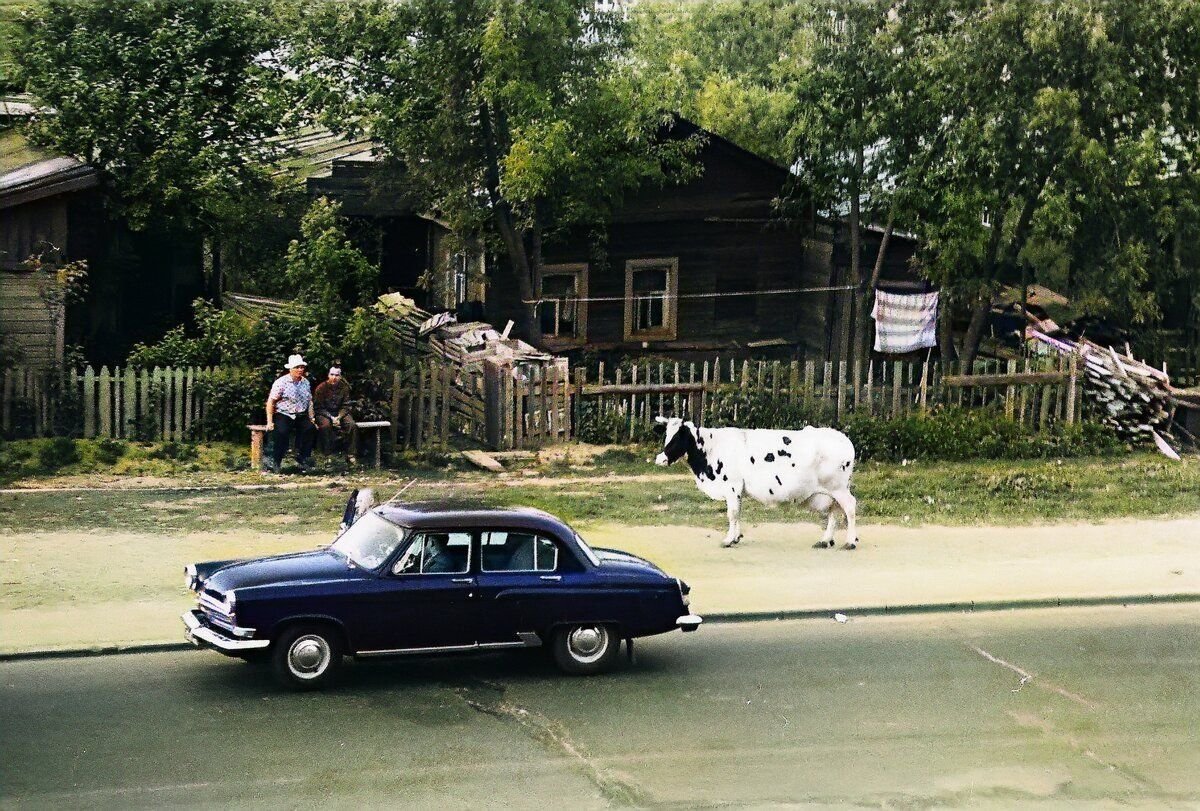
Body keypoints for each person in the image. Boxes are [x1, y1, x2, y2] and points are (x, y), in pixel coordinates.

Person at [265, 354, 317, 473]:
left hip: (300, 414)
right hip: (284, 413)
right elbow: (271, 402)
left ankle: (303, 459)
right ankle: (275, 461)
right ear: (290, 369)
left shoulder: (305, 383)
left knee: (310, 429)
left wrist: (312, 418)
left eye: (302, 367)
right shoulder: (281, 382)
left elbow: (309, 401)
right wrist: (269, 421)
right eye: (297, 367)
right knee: (281, 431)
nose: (300, 370)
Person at [313, 365, 358, 463]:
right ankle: (327, 454)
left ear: (340, 376)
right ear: (328, 375)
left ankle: (350, 453)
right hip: (324, 413)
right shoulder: (321, 388)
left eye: (337, 375)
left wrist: (339, 416)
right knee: (325, 426)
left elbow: (346, 405)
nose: (334, 377)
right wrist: (331, 417)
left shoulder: (344, 388)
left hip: (339, 413)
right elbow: (318, 407)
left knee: (351, 424)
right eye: (332, 374)